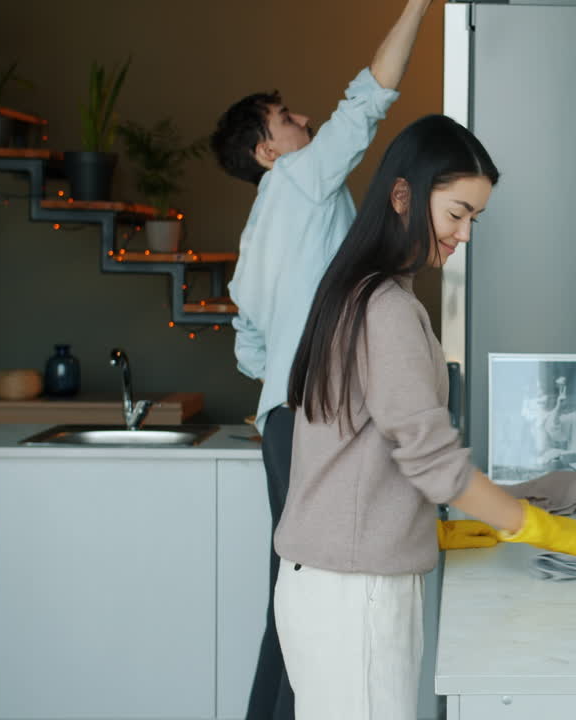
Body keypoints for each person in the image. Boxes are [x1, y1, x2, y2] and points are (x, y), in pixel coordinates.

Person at [275, 114, 576, 719]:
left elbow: (377, 454)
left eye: (474, 219)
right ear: (404, 195)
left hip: (340, 581)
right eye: (457, 213)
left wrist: (434, 526)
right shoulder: (384, 307)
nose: (466, 234)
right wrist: (543, 529)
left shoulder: (365, 291)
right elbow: (434, 461)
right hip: (354, 593)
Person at [208, 2, 434, 717]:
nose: (303, 120)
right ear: (269, 153)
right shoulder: (300, 181)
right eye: (286, 120)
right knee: (311, 593)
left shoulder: (255, 241)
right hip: (312, 424)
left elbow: (250, 350)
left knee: (293, 596)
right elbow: (367, 100)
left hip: (284, 421)